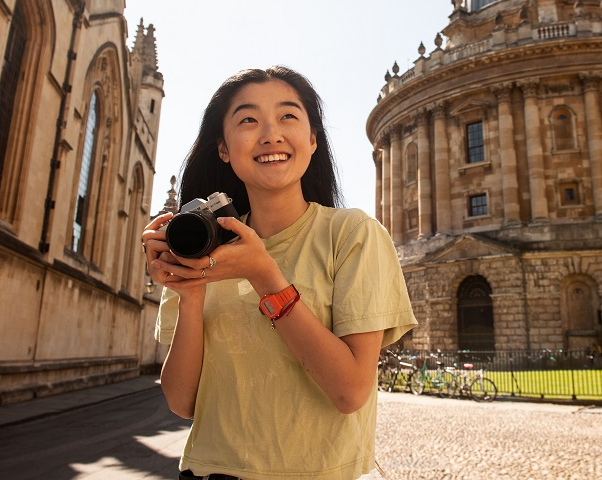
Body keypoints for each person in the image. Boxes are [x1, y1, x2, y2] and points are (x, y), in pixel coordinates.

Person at [142, 66, 416, 480]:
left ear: (312, 140)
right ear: (223, 148)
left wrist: (264, 274)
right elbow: (182, 401)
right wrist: (191, 292)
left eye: (288, 116)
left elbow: (350, 391)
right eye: (248, 119)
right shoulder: (200, 248)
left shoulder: (353, 234)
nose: (271, 133)